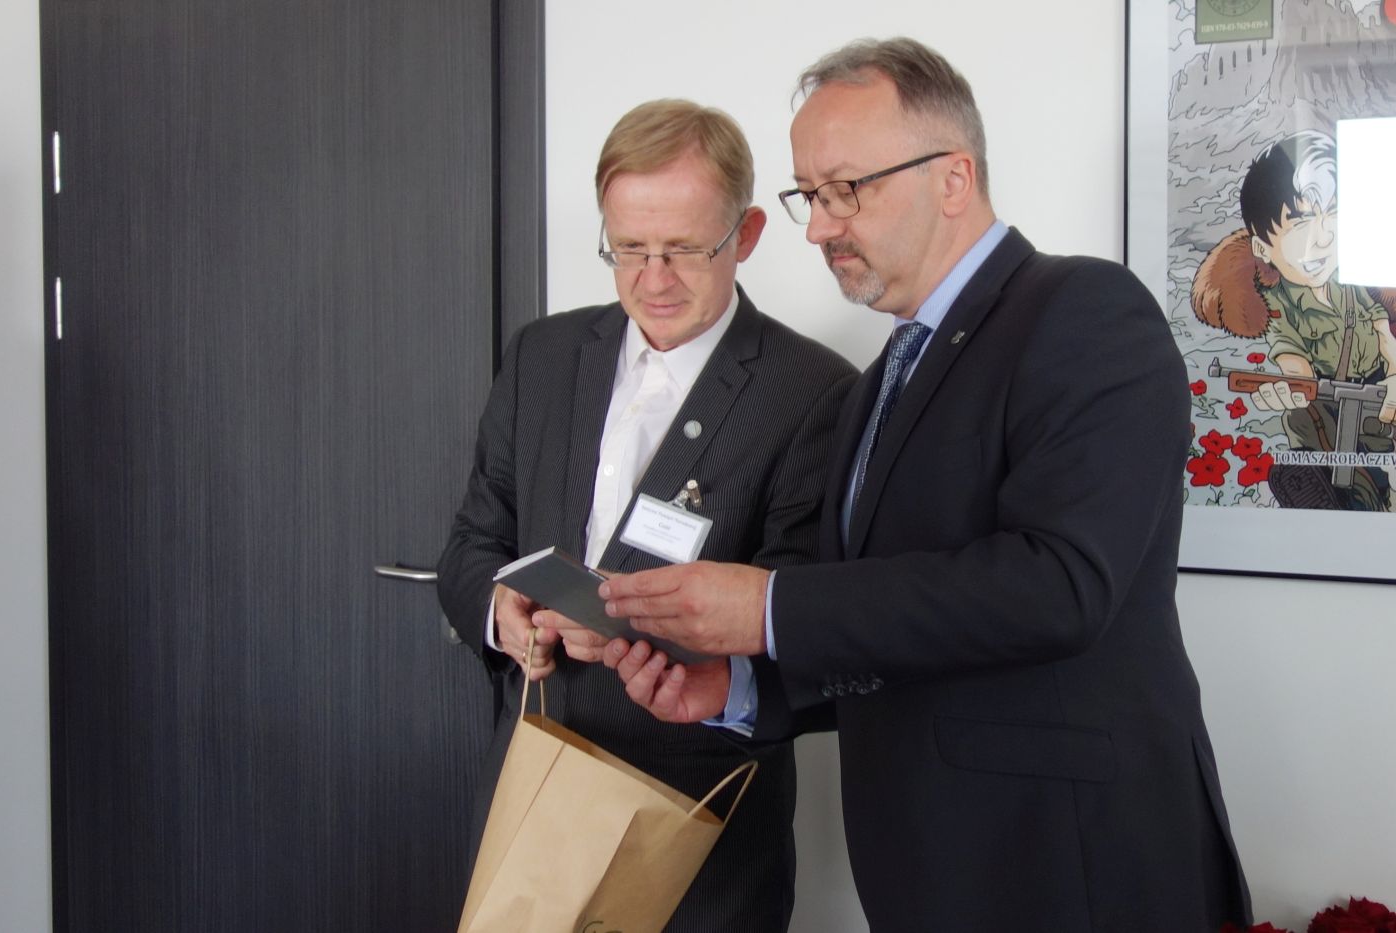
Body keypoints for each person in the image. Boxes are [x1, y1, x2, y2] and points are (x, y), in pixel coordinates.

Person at [595, 39, 1253, 931]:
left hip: (1072, 869)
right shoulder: (874, 385)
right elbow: (895, 634)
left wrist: (770, 608)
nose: (819, 228)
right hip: (932, 879)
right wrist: (741, 688)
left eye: (844, 190)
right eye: (808, 196)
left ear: (954, 178)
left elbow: (1059, 585)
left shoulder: (1086, 309)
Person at [436, 98, 855, 932]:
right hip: (531, 805)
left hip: (697, 836)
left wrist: (640, 633)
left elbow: (808, 620)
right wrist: (502, 610)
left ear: (745, 235)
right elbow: (473, 543)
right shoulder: (542, 355)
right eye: (628, 248)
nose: (653, 279)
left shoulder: (816, 392)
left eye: (683, 249)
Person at [1191, 130, 1396, 511]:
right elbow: (1291, 358)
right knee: (1335, 488)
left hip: (1376, 408)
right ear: (1261, 247)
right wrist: (1292, 387)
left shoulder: (1354, 280)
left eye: (1334, 214)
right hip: (1321, 419)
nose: (1323, 238)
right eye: (1302, 223)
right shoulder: (1277, 300)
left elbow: (1382, 329)